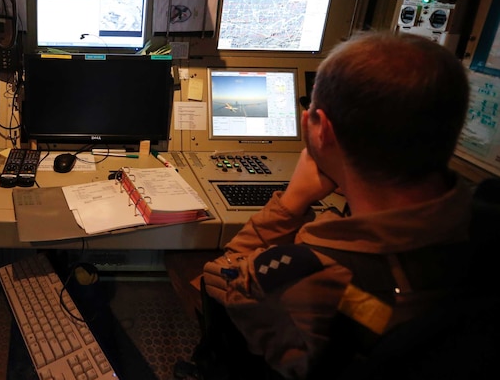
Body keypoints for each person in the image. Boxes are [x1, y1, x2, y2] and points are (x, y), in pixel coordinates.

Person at [198, 31, 473, 380]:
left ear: (320, 129)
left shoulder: (300, 274)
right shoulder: (484, 220)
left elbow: (219, 277)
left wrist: (292, 201)